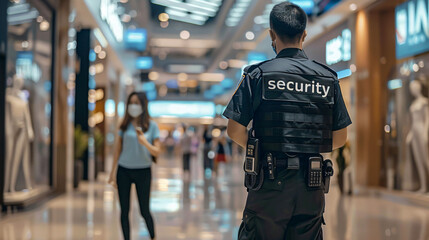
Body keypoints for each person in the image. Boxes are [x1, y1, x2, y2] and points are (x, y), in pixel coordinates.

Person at [223, 2, 351, 240]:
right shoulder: (328, 78)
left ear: (272, 35)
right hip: (311, 187)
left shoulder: (258, 75)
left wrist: (259, 152)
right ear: (304, 34)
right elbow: (341, 137)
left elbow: (234, 129)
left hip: (269, 184)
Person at [108, 92, 160, 240]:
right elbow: (117, 151)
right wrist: (112, 174)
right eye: (131, 102)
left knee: (144, 210)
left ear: (143, 105)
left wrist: (144, 142)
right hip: (123, 170)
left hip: (143, 171)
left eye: (136, 103)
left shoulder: (152, 126)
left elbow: (157, 150)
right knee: (124, 211)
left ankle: (153, 237)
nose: (133, 106)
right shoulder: (123, 125)